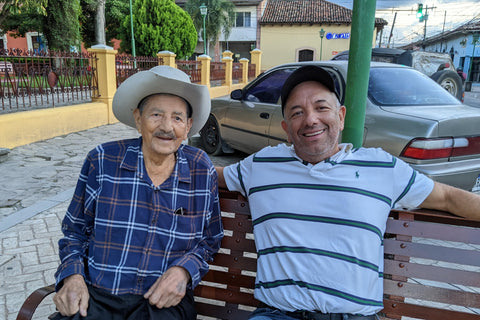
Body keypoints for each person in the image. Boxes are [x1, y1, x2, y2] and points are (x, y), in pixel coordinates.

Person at [216, 65, 480, 320]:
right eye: (297, 113)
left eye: (321, 108)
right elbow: (208, 175)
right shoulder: (261, 166)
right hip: (278, 314)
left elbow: (448, 198)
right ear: (286, 129)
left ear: (340, 117)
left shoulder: (381, 167)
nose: (310, 119)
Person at [52, 66, 223, 320]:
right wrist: (73, 276)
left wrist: (183, 272)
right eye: (156, 114)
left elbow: (209, 240)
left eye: (177, 118)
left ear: (188, 126)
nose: (167, 127)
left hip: (162, 303)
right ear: (138, 119)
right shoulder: (102, 160)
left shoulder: (200, 168)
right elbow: (74, 232)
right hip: (99, 295)